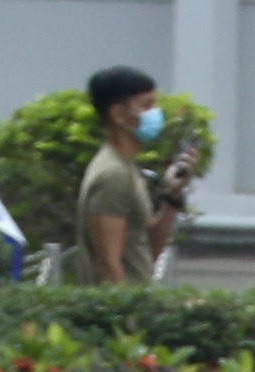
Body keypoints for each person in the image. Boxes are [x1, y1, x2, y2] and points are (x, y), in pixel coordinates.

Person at [69, 63, 183, 284]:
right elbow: (108, 264)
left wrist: (172, 196)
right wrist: (129, 315)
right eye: (146, 105)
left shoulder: (127, 168)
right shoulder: (112, 175)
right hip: (120, 315)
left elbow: (147, 249)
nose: (156, 113)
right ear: (119, 114)